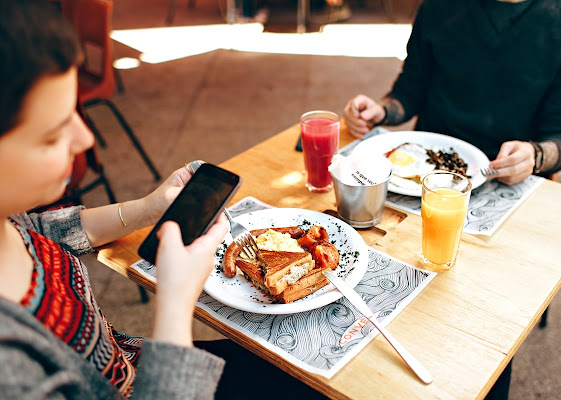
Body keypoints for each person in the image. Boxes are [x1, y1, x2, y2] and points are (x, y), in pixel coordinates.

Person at [0, 2, 326, 399]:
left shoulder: (7, 220)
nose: (85, 140)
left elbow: (41, 231)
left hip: (131, 359)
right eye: (51, 135)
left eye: (74, 112)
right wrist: (174, 303)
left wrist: (147, 208)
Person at [343, 0, 561, 186]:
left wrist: (535, 155)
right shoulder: (438, 6)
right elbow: (409, 92)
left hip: (506, 179)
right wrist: (382, 110)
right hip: (424, 170)